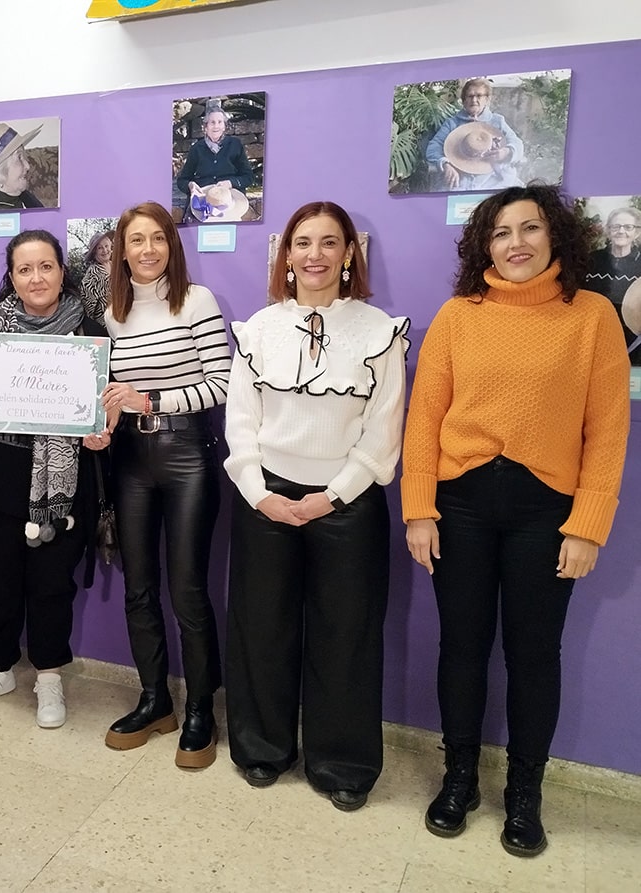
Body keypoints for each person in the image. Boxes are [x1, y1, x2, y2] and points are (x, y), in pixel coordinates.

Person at [402, 184, 630, 856]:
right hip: (460, 504)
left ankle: (524, 794)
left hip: (546, 513)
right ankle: (459, 778)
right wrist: (418, 508)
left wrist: (587, 524)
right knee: (461, 647)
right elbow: (423, 417)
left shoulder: (591, 317)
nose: (516, 243)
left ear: (555, 235)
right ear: (484, 245)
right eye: (501, 232)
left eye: (529, 228)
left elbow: (608, 431)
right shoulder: (457, 315)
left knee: (534, 656)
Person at [222, 201, 410, 811]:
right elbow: (241, 423)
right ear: (286, 254)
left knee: (346, 636)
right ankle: (262, 748)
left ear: (350, 254)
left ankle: (344, 764)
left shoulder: (379, 330)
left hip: (347, 504)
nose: (315, 255)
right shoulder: (258, 328)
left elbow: (383, 434)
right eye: (303, 243)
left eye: (330, 243)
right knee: (261, 628)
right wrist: (260, 494)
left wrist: (331, 497)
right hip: (264, 499)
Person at [0, 230, 114, 728]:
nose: (36, 278)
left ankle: (49, 676)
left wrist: (103, 431)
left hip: (63, 483)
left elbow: (108, 401)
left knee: (51, 585)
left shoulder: (88, 328)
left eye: (45, 267)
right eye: (24, 269)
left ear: (63, 272)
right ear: (11, 278)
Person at [100, 200, 231, 769]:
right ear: (121, 250)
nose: (147, 249)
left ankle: (201, 708)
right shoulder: (112, 311)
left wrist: (152, 401)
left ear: (171, 245)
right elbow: (110, 391)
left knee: (187, 591)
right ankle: (155, 700)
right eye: (136, 240)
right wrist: (102, 422)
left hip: (187, 455)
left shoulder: (197, 300)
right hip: (130, 457)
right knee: (138, 587)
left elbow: (223, 384)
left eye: (157, 238)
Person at [425, 78, 525, 191]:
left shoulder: (498, 121)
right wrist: (445, 164)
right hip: (461, 180)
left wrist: (505, 152)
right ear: (463, 100)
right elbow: (434, 146)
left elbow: (517, 144)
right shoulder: (452, 123)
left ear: (487, 99)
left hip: (494, 180)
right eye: (470, 96)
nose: (474, 100)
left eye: (479, 96)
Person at [175, 102, 254, 220]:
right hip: (203, 204)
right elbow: (182, 181)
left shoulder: (235, 145)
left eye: (219, 122)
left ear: (224, 126)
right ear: (205, 127)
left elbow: (248, 177)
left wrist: (231, 183)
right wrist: (190, 185)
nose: (216, 126)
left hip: (230, 203)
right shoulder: (196, 149)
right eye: (212, 122)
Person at [585, 206, 641, 362]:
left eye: (628, 227)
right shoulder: (590, 260)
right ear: (608, 230)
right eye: (616, 226)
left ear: (636, 232)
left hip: (635, 341)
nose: (621, 231)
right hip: (594, 336)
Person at [80, 229, 113, 323]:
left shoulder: (117, 265)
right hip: (104, 325)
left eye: (106, 246)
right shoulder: (92, 274)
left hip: (123, 318)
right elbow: (87, 308)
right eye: (100, 248)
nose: (105, 250)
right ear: (94, 252)